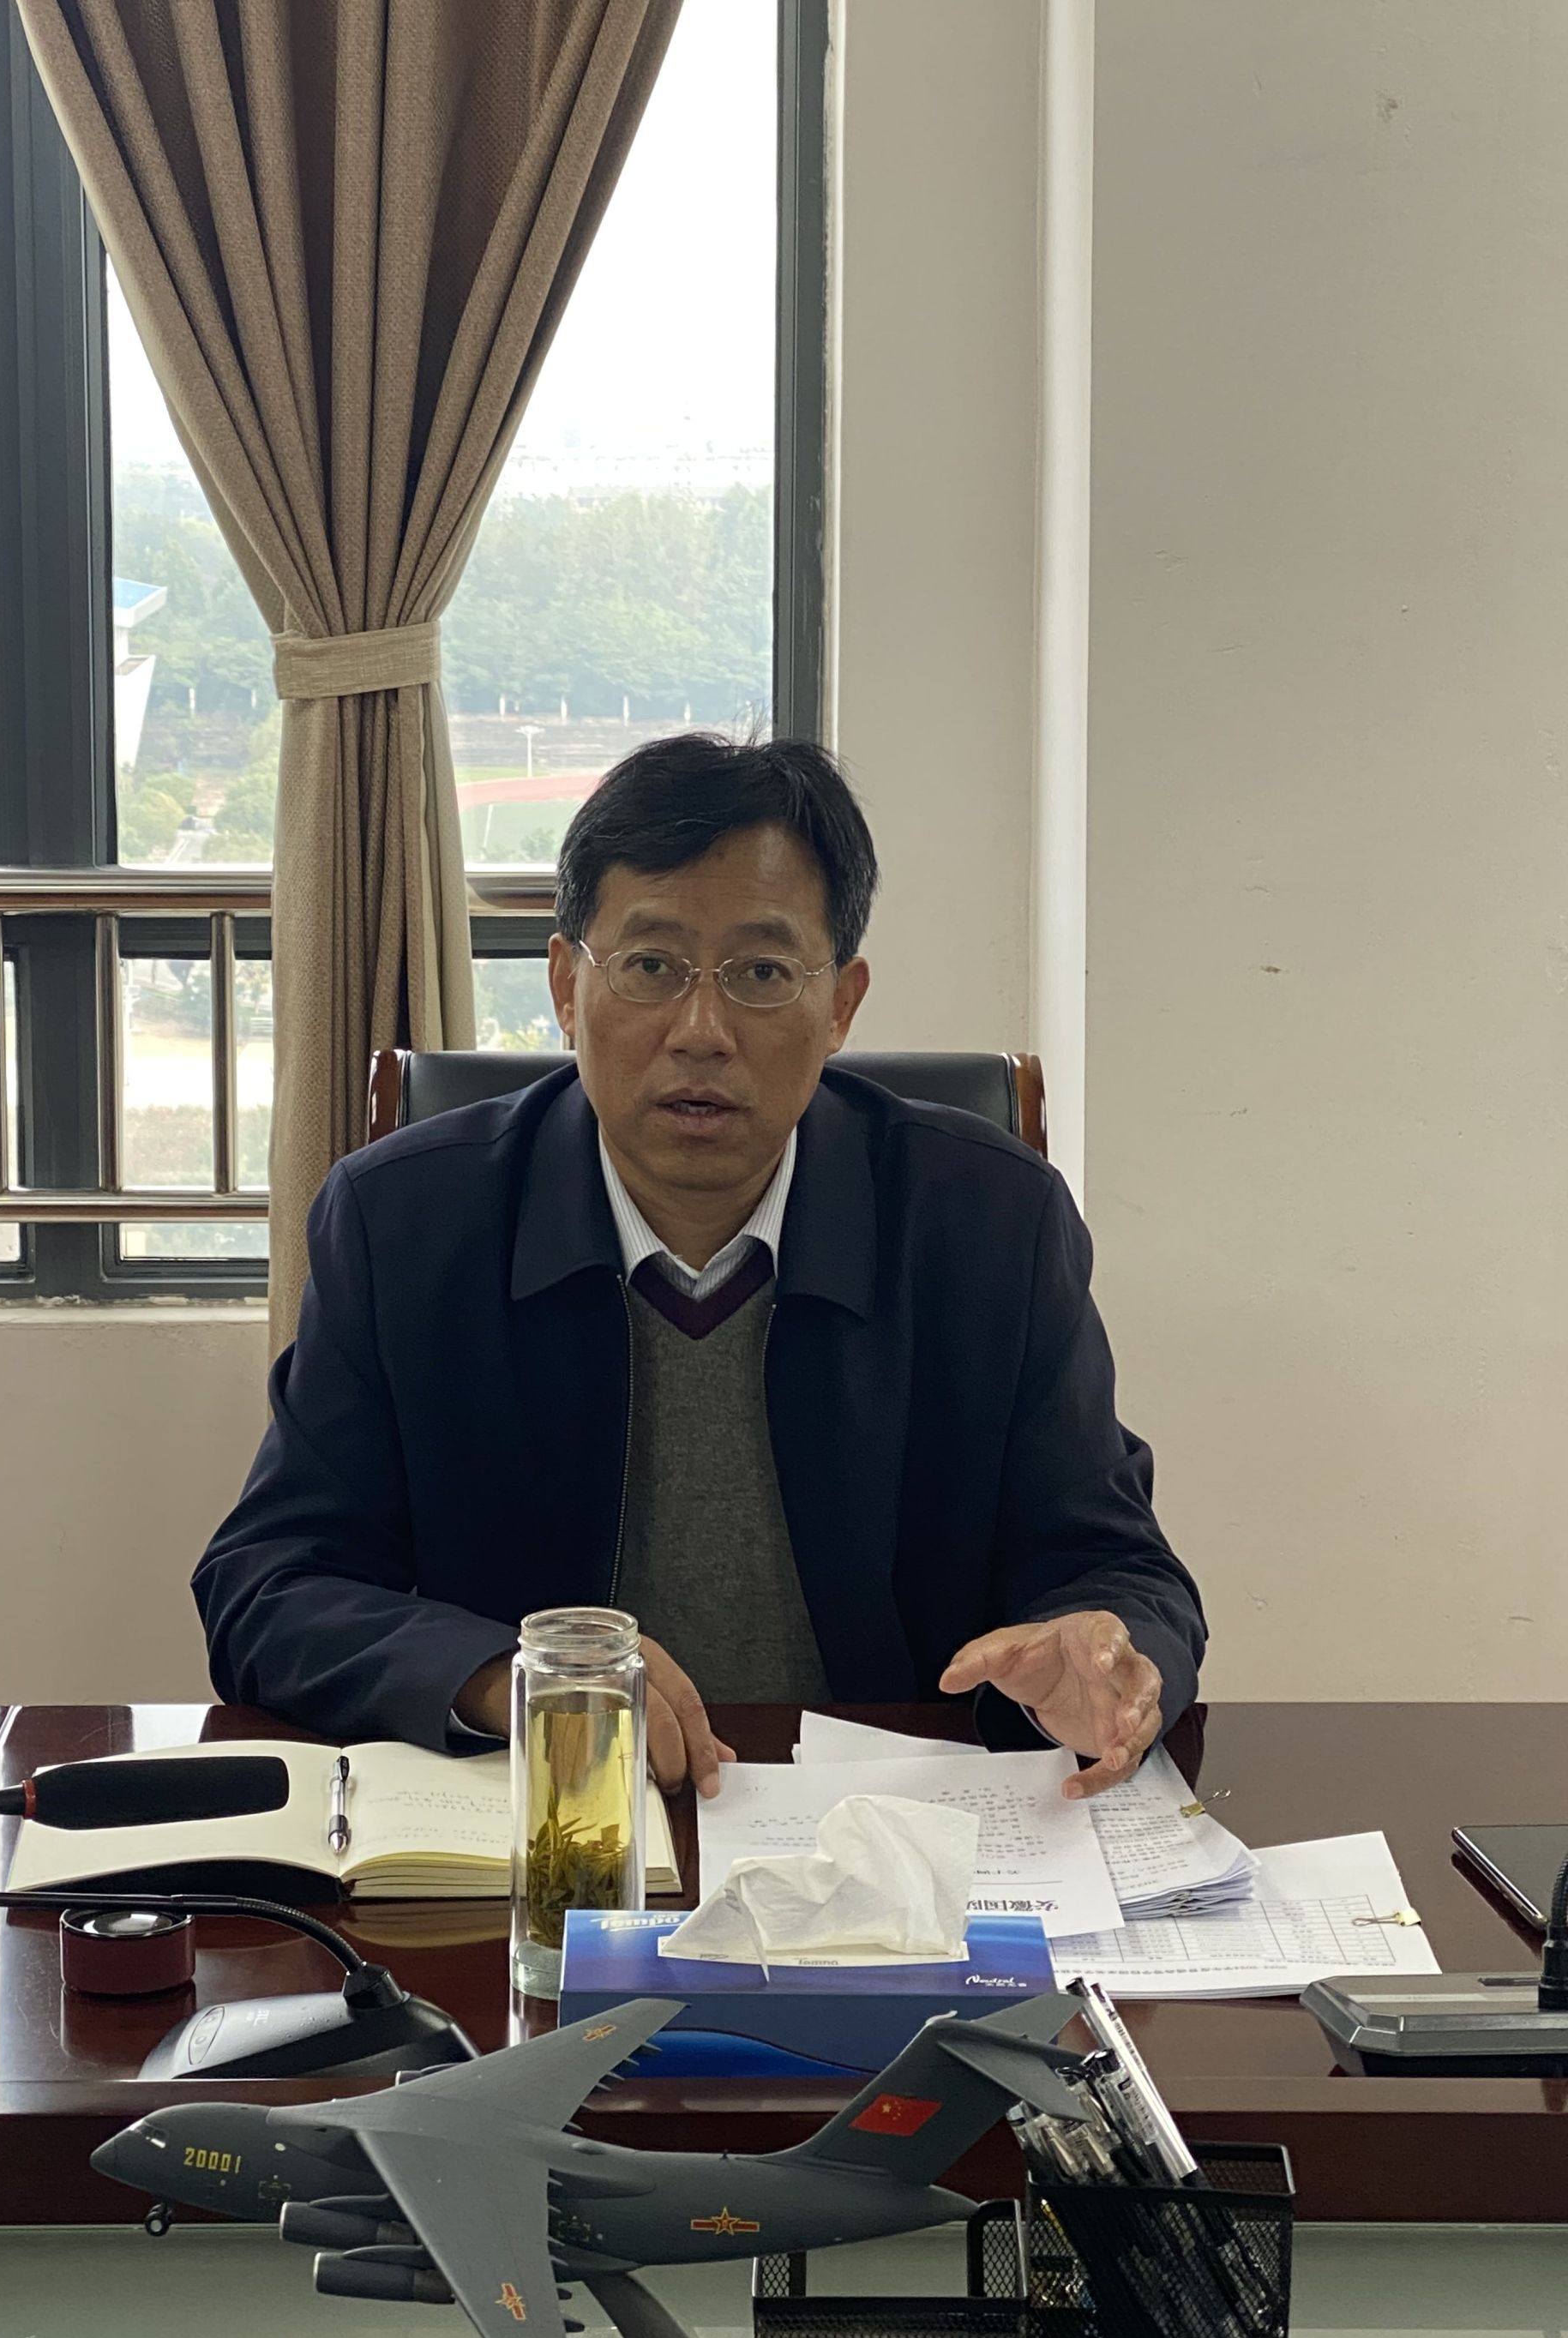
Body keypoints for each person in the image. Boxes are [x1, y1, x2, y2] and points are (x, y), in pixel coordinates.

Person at [194, 734, 1205, 1799]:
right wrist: (509, 1678)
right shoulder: (406, 1221)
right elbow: (270, 1583)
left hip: (895, 1835)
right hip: (553, 1822)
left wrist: (1109, 1653)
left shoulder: (988, 1221)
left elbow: (1117, 1566)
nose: (701, 1030)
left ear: (840, 1004)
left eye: (761, 973)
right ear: (565, 987)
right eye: (650, 967)